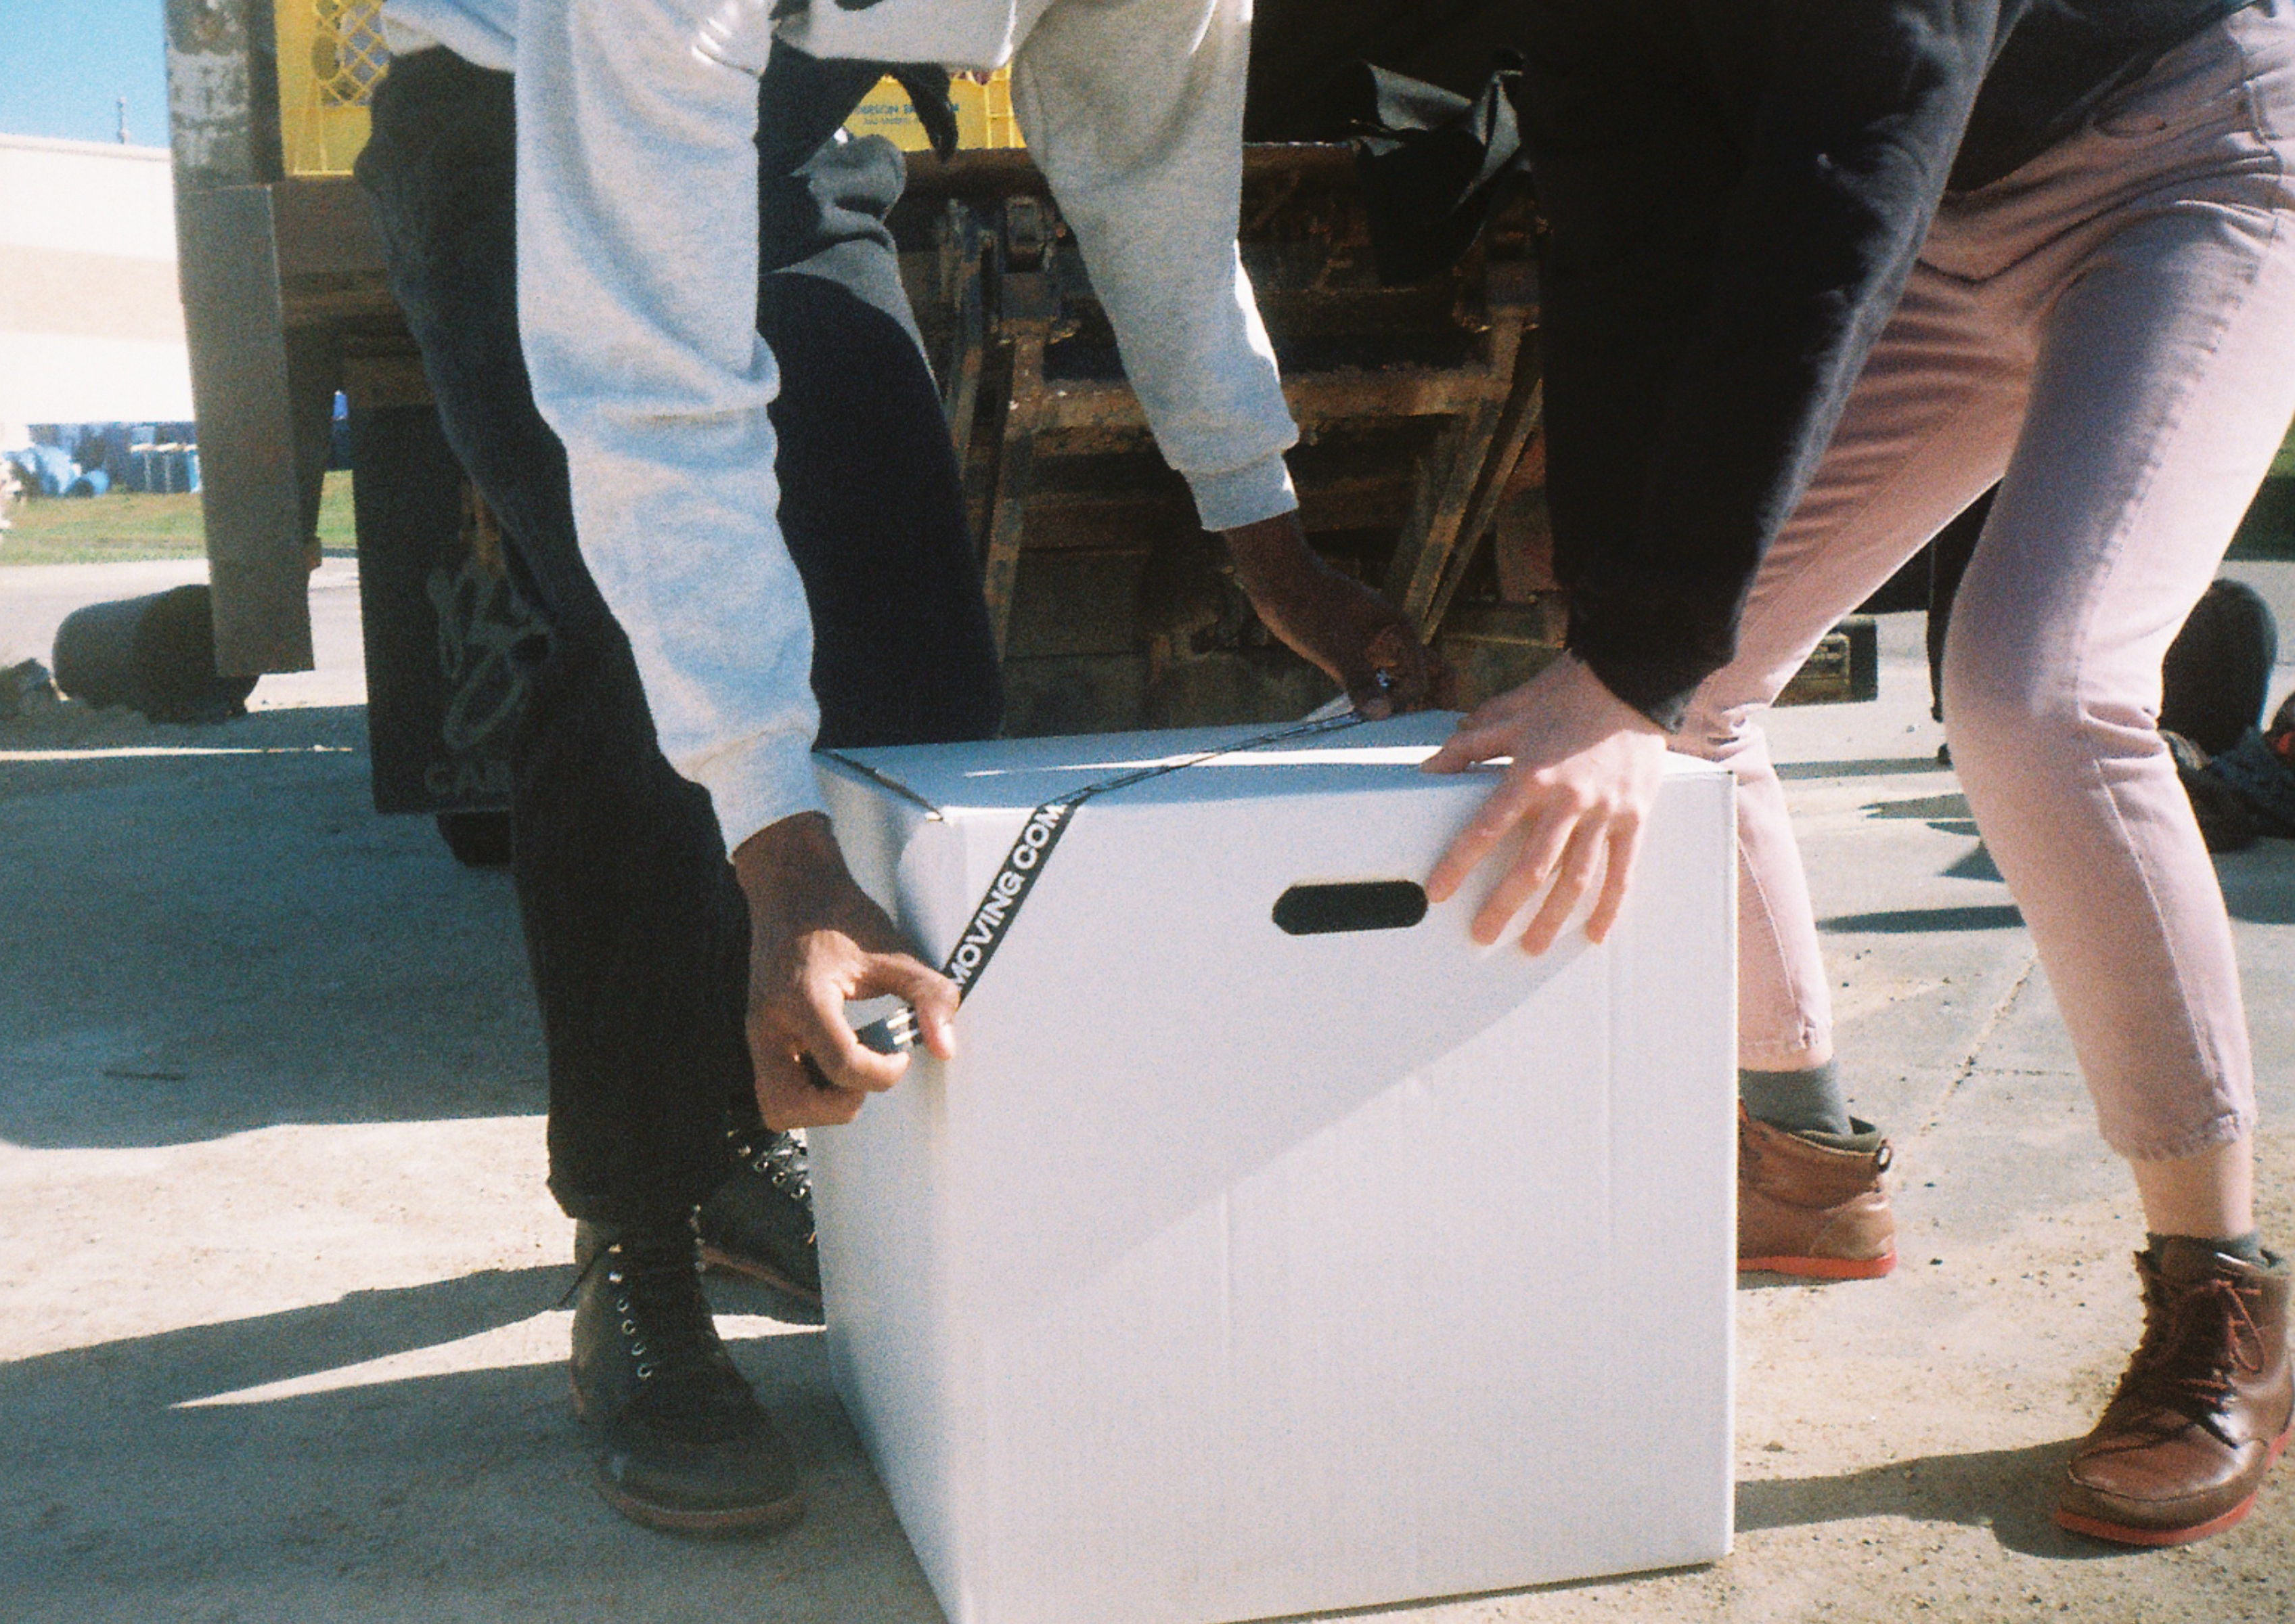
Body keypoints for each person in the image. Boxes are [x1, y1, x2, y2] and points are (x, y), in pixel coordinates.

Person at [361, 0, 1423, 1535]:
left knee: (917, 660)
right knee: (640, 654)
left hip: (784, 131)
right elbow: (655, 412)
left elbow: (1149, 170)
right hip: (522, 115)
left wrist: (1272, 549)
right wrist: (782, 854)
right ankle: (636, 1236)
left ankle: (747, 1157)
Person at [1421, 0, 2294, 1547]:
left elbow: (1841, 183)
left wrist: (1636, 656)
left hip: (2194, 151)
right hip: (1946, 211)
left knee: (2033, 690)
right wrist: (1618, 650)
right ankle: (1800, 1163)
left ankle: (2219, 1297)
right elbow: (1619, 240)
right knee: (1668, 690)